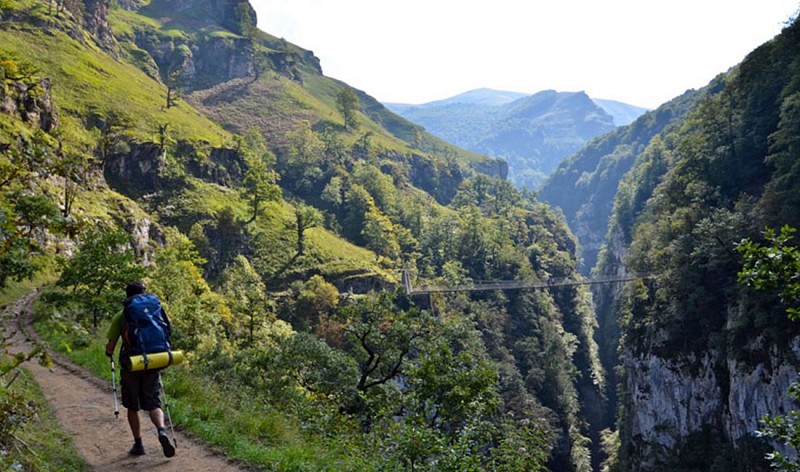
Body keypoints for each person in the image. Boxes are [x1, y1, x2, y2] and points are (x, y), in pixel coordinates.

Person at [105, 281, 176, 458]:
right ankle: (161, 430)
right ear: (143, 293)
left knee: (132, 406)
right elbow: (168, 331)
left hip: (132, 365)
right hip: (153, 361)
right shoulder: (155, 311)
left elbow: (111, 346)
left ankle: (138, 444)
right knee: (153, 402)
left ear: (127, 296)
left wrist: (109, 352)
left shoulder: (122, 315)